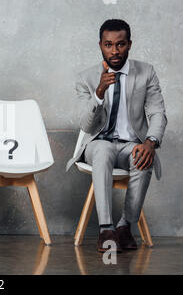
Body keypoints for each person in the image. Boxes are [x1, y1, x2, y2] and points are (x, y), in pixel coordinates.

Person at [66, 19, 167, 252]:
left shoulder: (146, 72)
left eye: (120, 44)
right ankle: (106, 230)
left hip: (131, 144)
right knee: (103, 149)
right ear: (100, 45)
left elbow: (158, 112)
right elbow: (86, 125)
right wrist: (99, 92)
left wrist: (150, 143)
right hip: (97, 144)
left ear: (129, 44)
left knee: (142, 156)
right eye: (108, 45)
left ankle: (124, 227)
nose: (114, 51)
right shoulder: (86, 78)